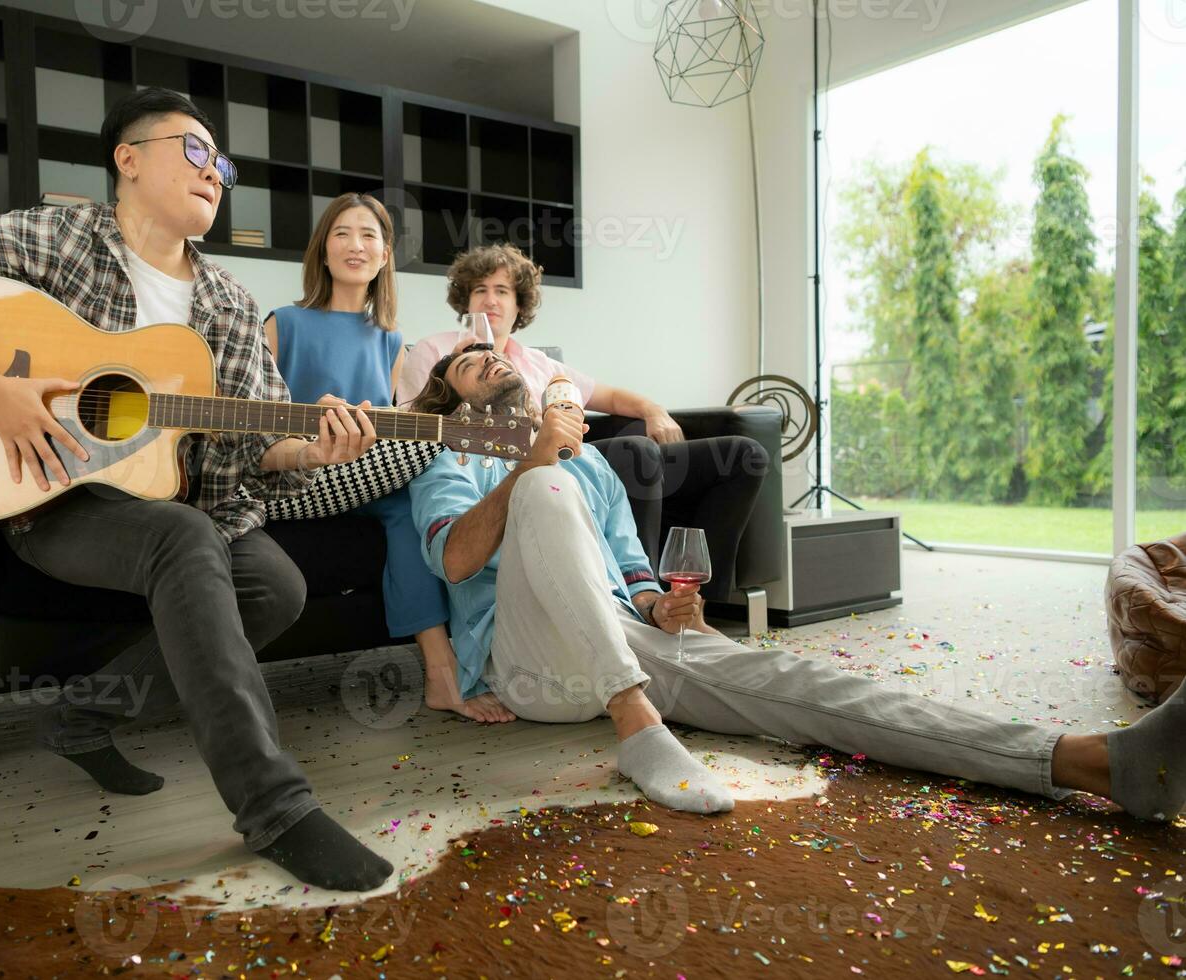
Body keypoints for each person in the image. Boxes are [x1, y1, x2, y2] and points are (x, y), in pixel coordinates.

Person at [0, 88, 395, 892]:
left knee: (277, 586)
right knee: (184, 535)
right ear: (128, 159)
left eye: (224, 164)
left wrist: (311, 447)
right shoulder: (61, 237)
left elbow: (255, 445)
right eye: (196, 151)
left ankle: (82, 716)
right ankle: (276, 807)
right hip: (53, 499)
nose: (216, 173)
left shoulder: (230, 305)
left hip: (185, 508)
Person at [404, 346, 1186, 823]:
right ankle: (638, 728)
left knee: (798, 683)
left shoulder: (596, 461)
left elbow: (632, 571)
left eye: (497, 353)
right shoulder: (451, 461)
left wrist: (664, 606)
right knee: (543, 490)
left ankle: (1091, 763)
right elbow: (455, 562)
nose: (493, 359)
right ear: (454, 397)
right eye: (472, 362)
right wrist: (533, 461)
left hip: (623, 638)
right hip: (530, 669)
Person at [264, 194, 514, 724]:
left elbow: (399, 422)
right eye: (342, 234)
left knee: (414, 496)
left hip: (367, 481)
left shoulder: (391, 341)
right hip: (300, 476)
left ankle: (447, 675)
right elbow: (253, 422)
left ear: (383, 257)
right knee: (428, 455)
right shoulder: (283, 324)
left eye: (369, 236)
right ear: (323, 251)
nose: (355, 245)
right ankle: (453, 670)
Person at [398, 243, 767, 594]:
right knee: (635, 451)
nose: (490, 300)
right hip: (516, 468)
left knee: (743, 455)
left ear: (519, 304)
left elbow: (610, 396)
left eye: (502, 291)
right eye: (480, 289)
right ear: (466, 299)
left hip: (581, 468)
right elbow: (422, 424)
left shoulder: (538, 362)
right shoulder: (436, 349)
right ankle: (641, 598)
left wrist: (654, 411)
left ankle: (699, 604)